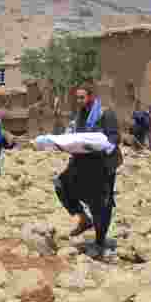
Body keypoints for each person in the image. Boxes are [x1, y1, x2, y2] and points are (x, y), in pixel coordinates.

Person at [54, 85, 122, 258]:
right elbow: (76, 136)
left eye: (82, 97)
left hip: (103, 165)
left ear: (91, 97)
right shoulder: (79, 115)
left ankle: (99, 242)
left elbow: (114, 138)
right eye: (77, 98)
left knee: (101, 203)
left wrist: (100, 145)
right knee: (61, 184)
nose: (79, 101)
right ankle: (84, 218)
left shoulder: (105, 113)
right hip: (82, 162)